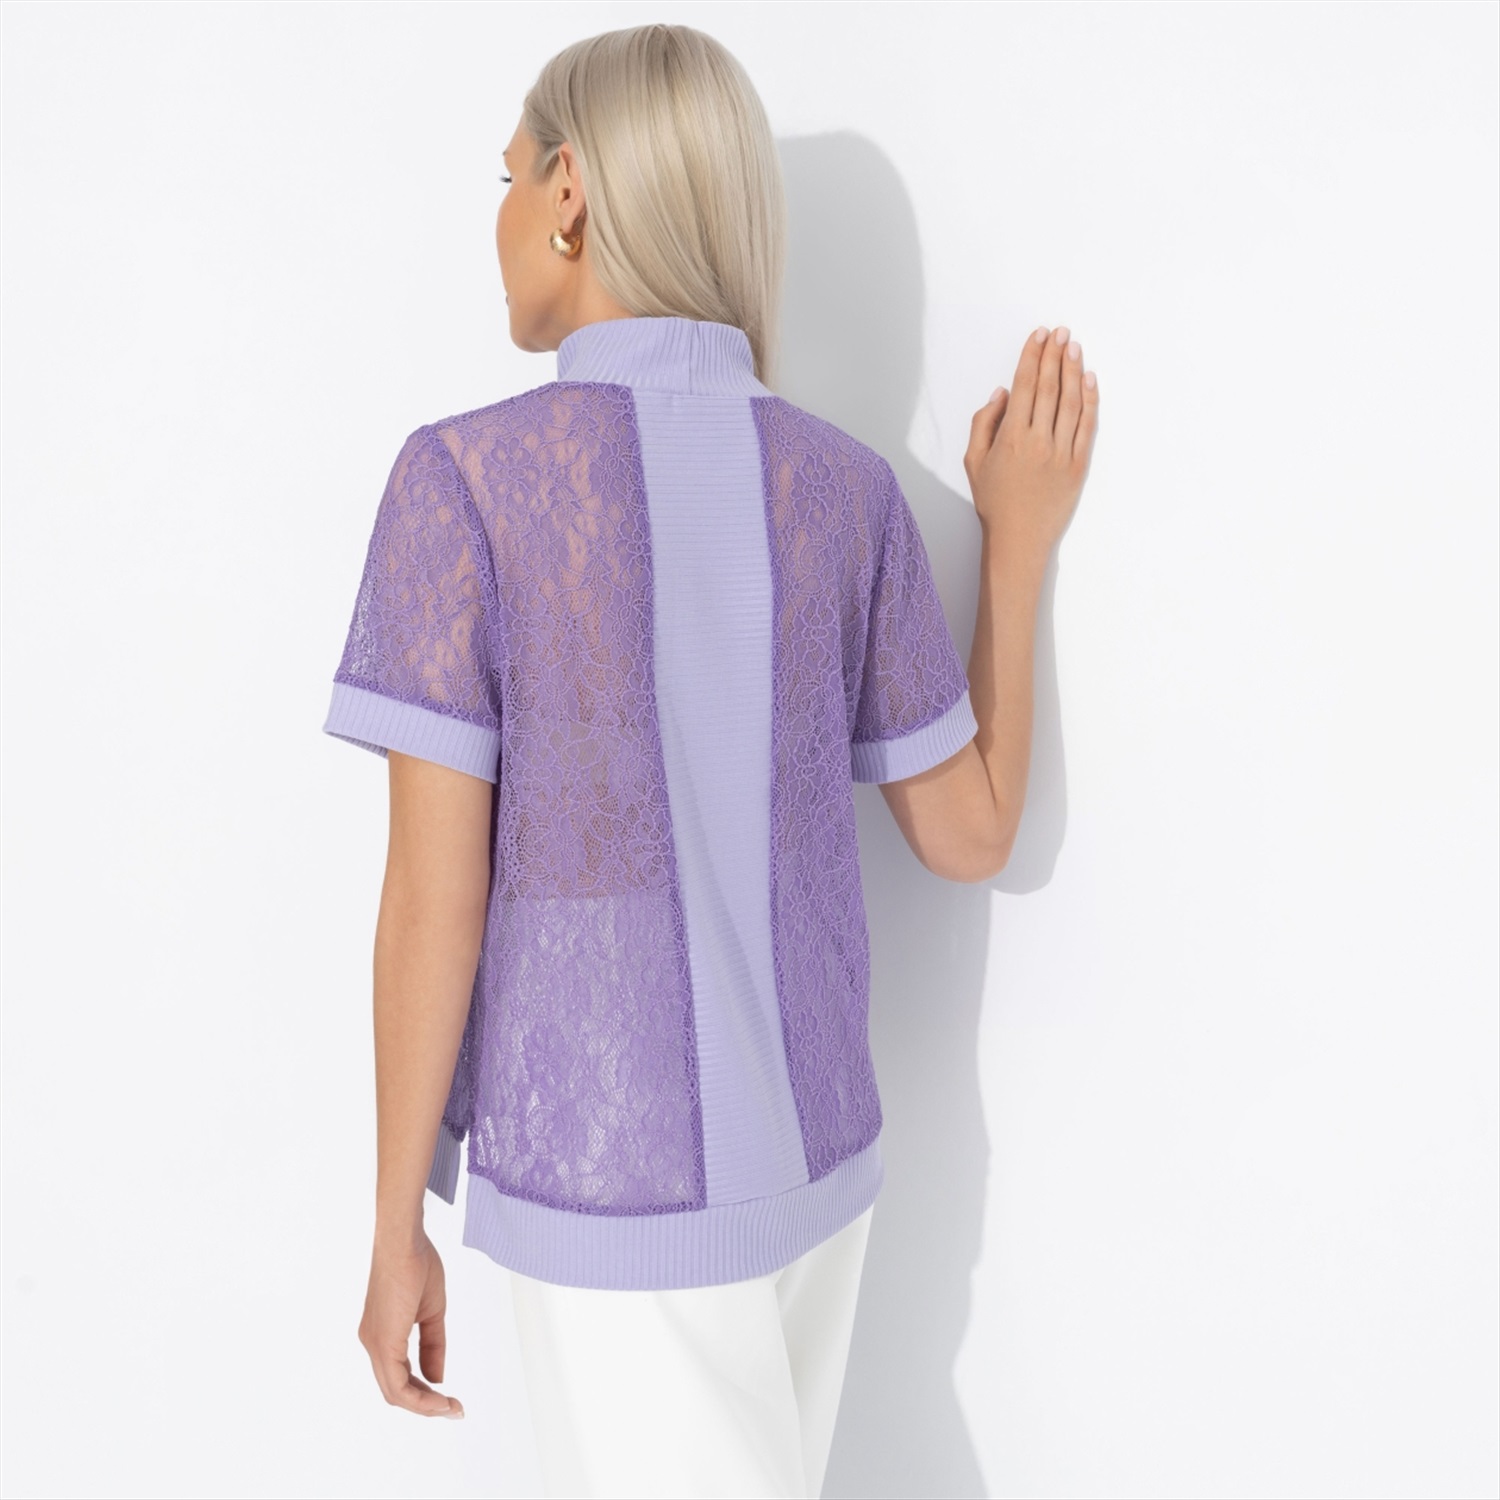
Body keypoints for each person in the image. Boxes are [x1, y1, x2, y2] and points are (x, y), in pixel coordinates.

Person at [319, 22, 1098, 1500]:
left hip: (614, 1197)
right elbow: (973, 833)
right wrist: (1015, 544)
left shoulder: (464, 483)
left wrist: (394, 1218)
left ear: (568, 192)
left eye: (505, 177)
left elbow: (434, 894)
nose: (498, 216)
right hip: (820, 1186)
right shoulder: (845, 493)